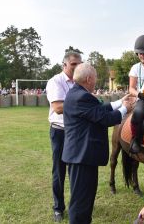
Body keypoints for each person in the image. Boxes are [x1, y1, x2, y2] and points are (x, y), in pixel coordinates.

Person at [62, 63, 132, 224]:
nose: (96, 81)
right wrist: (125, 109)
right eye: (95, 78)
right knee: (81, 203)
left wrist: (120, 102)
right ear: (88, 79)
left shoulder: (78, 94)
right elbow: (105, 118)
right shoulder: (82, 97)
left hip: (82, 157)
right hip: (82, 157)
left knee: (85, 200)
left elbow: (98, 110)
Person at [46, 49, 82, 222]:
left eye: (79, 64)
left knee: (76, 169)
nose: (77, 67)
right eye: (74, 64)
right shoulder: (56, 81)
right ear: (65, 65)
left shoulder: (79, 83)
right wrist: (80, 104)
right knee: (59, 171)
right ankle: (58, 208)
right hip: (60, 131)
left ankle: (76, 205)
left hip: (76, 131)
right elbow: (58, 107)